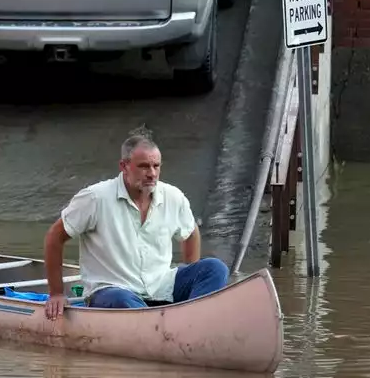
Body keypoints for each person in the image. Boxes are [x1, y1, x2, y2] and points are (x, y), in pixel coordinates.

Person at [42, 128, 229, 319]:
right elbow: (55, 237)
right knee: (123, 300)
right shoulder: (95, 198)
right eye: (144, 166)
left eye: (156, 166)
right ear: (124, 166)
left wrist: (190, 272)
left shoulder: (173, 197)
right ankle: (165, 326)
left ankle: (191, 319)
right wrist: (56, 293)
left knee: (215, 268)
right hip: (113, 291)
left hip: (162, 287)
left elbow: (190, 232)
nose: (152, 173)